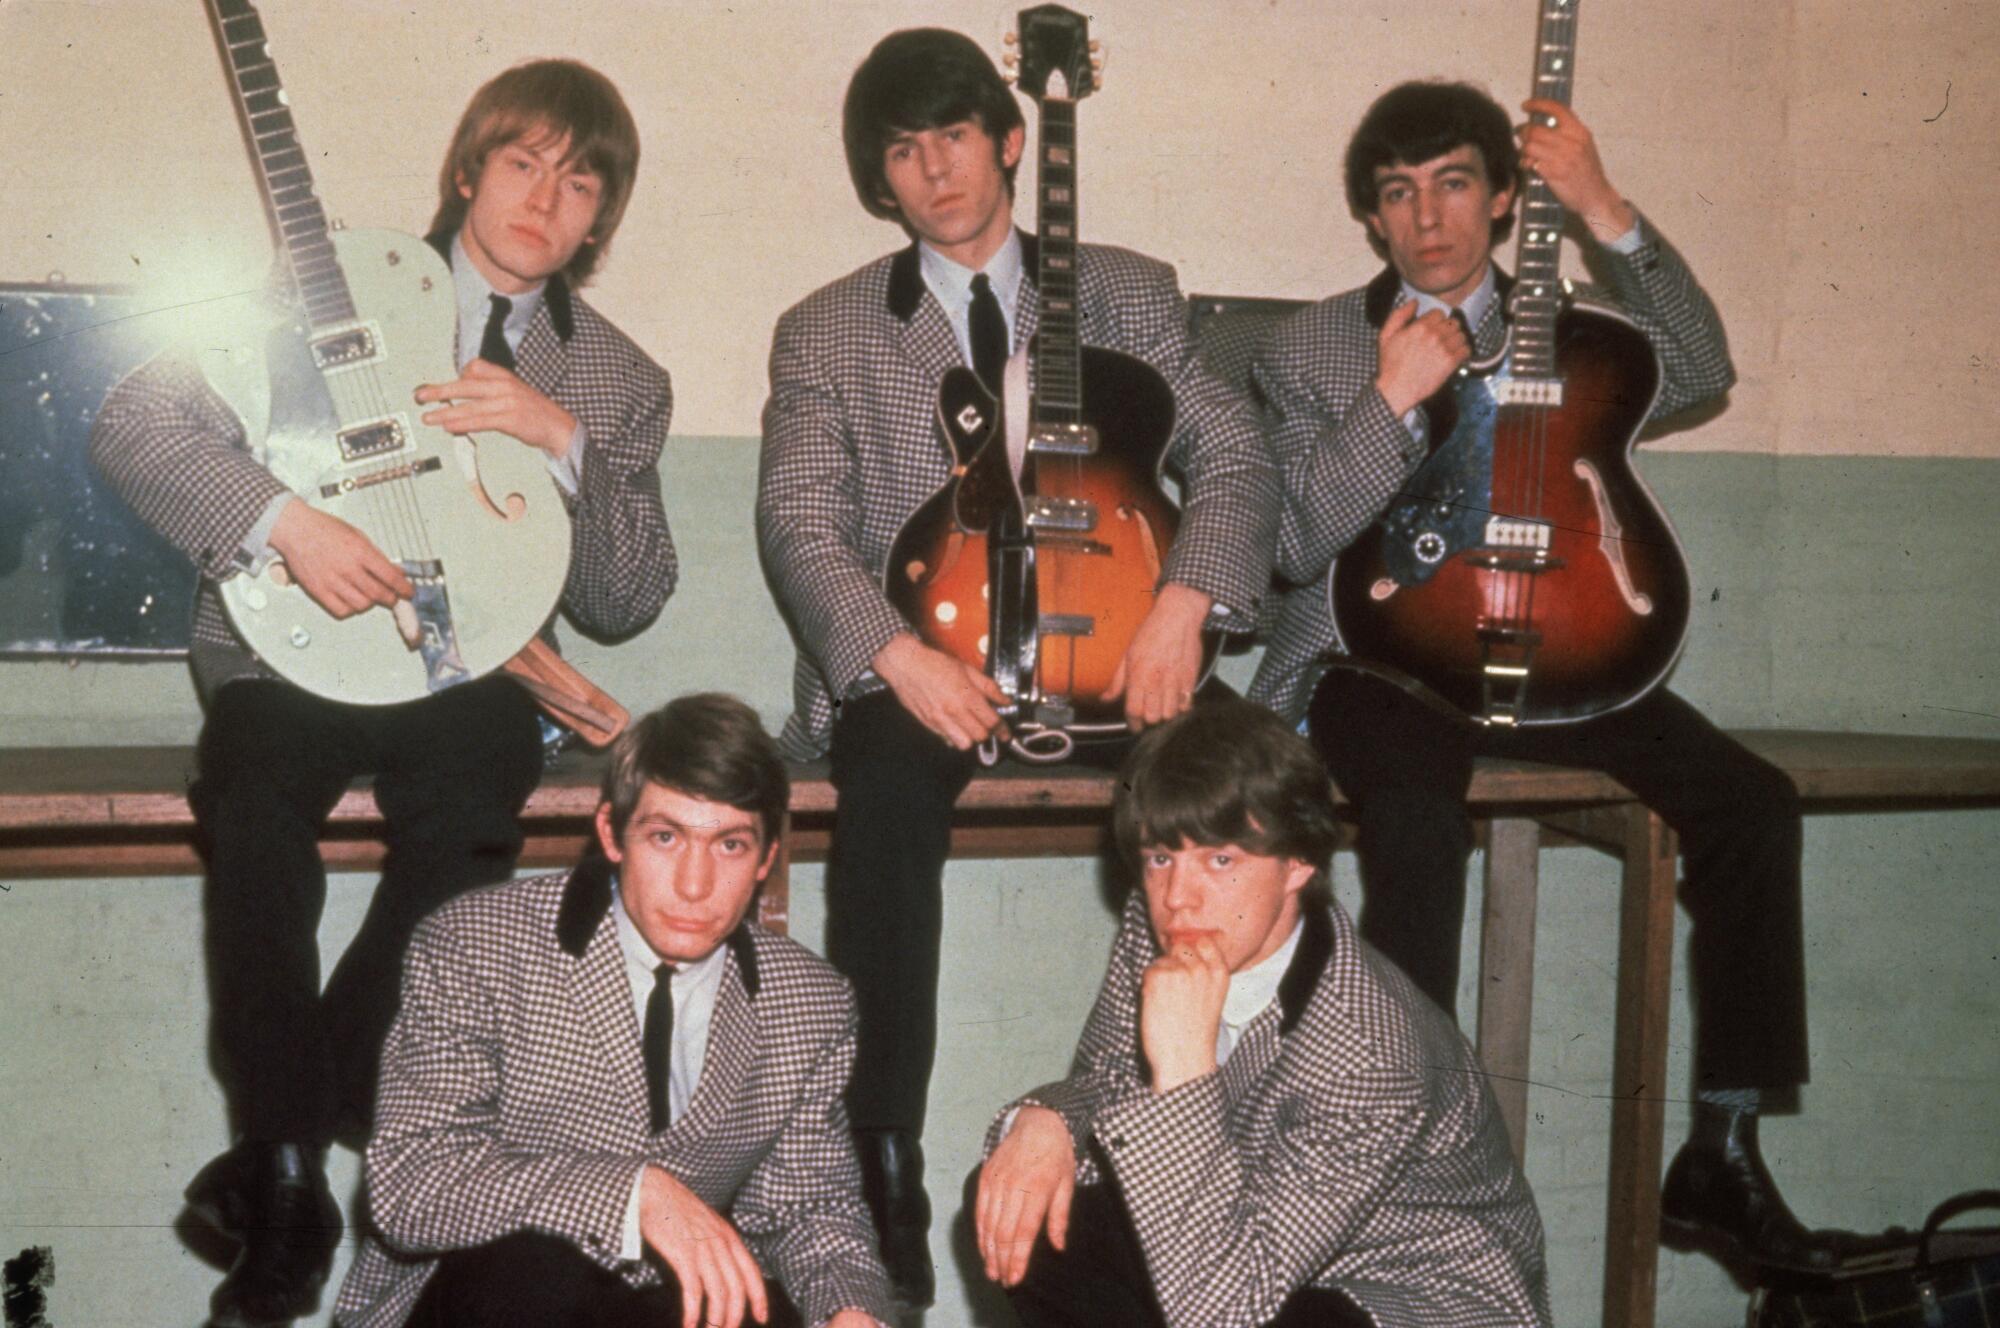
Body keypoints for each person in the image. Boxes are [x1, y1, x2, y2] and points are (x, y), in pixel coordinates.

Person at [89, 59, 675, 1327]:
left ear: (598, 219)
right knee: (248, 801)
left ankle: (294, 1129)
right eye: (521, 162)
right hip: (284, 643)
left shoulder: (616, 376)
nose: (543, 198)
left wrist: (564, 441)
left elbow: (629, 596)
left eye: (579, 182)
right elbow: (136, 423)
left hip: (460, 672)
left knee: (477, 805)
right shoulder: (323, 286)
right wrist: (280, 519)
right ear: (468, 169)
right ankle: (295, 1168)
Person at [1247, 79, 1846, 1270]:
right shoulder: (1311, 344)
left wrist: (1603, 204)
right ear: (1371, 220)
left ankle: (1721, 1151)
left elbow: (1705, 363)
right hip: (1383, 664)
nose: (1427, 218)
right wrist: (1387, 398)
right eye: (1396, 194)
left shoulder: (1579, 332)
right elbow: (1286, 544)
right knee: (1417, 822)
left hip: (1564, 652)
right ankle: (1404, 1157)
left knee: (1749, 803)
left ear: (1506, 193)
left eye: (1455, 182)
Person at [755, 27, 1277, 1306]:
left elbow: (1240, 461)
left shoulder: (1131, 289)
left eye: (952, 133)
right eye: (900, 147)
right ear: (879, 176)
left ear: (1009, 137)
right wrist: (891, 655)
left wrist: (1187, 604)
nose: (932, 167)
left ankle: (1247, 1128)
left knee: (1251, 803)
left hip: (1129, 654)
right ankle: (878, 1157)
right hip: (930, 665)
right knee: (880, 799)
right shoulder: (825, 329)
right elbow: (795, 518)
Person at [973, 700, 1550, 1328]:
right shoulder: (1163, 923)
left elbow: (1226, 1313)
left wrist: (1186, 1072)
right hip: (1247, 1248)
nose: (1177, 897)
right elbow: (1107, 1082)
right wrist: (1046, 1119)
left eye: (1221, 860)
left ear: (1299, 861)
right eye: (1161, 857)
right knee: (1022, 1207)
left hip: (1405, 1296)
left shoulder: (1372, 1046)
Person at [333, 693, 894, 1328]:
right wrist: (633, 1195)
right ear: (610, 835)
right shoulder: (475, 942)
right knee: (541, 1270)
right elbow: (411, 1189)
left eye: (730, 846)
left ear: (767, 857)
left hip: (665, 1305)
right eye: (665, 836)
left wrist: (849, 1308)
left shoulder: (810, 1000)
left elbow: (807, 1207)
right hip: (495, 1296)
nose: (693, 884)